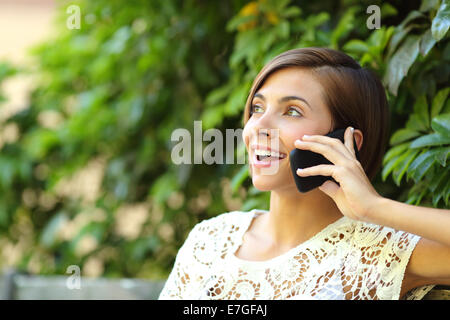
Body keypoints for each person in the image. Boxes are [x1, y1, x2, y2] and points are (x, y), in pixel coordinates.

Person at [158, 47, 450, 300]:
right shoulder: (209, 240)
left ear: (344, 142)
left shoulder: (377, 253)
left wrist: (374, 207)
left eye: (292, 111)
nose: (258, 126)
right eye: (258, 107)